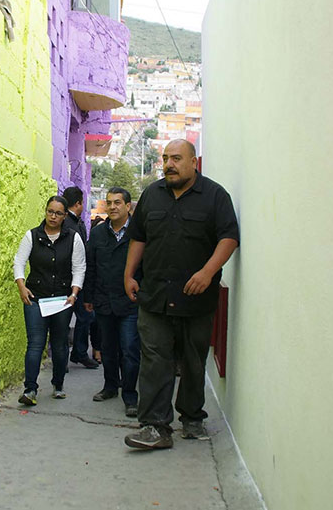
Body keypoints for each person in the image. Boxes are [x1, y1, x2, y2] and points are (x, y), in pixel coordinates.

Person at [122, 140, 239, 450]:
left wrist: (207, 272)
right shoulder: (152, 195)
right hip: (155, 294)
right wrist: (129, 274)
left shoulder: (215, 196)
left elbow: (229, 237)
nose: (169, 164)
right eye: (165, 158)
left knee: (192, 361)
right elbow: (138, 237)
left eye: (176, 158)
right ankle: (154, 427)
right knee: (155, 360)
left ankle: (191, 418)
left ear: (193, 162)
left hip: (196, 298)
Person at [13, 195, 86, 405]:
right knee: (35, 344)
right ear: (45, 211)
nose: (53, 216)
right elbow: (19, 262)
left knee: (60, 344)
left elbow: (79, 268)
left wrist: (74, 293)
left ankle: (58, 384)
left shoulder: (73, 238)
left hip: (62, 300)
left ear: (65, 216)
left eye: (58, 213)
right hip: (35, 297)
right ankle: (30, 390)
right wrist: (21, 286)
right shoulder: (32, 236)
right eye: (50, 211)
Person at [83, 187, 141, 417]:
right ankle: (110, 386)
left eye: (118, 202)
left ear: (128, 206)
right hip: (104, 300)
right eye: (109, 203)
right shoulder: (98, 234)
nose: (113, 207)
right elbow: (91, 267)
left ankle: (129, 395)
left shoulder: (139, 233)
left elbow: (145, 267)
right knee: (108, 348)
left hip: (130, 301)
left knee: (129, 349)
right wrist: (88, 297)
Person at [62, 186, 100, 369]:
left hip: (74, 279)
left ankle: (78, 352)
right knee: (82, 317)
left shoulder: (73, 222)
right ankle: (77, 353)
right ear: (78, 203)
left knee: (85, 316)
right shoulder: (70, 224)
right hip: (72, 281)